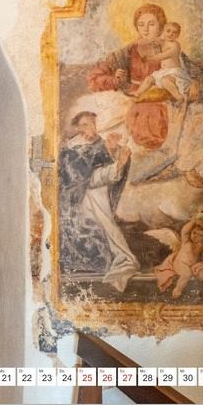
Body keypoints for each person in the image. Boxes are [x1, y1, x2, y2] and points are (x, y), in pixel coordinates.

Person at [87, 3, 203, 187]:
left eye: (151, 24)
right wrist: (115, 79)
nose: (145, 29)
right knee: (138, 148)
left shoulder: (170, 49)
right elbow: (94, 78)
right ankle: (154, 169)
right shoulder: (124, 53)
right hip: (138, 101)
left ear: (161, 26)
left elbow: (200, 74)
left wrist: (196, 82)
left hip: (170, 101)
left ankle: (187, 166)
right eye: (141, 24)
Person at [59, 111, 140, 291]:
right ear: (77, 128)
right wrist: (117, 162)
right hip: (80, 201)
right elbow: (85, 179)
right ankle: (114, 260)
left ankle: (118, 260)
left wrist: (114, 150)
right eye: (86, 124)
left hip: (97, 196)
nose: (91, 128)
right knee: (102, 227)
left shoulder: (98, 144)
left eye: (93, 124)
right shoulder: (71, 150)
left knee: (107, 226)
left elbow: (103, 170)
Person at [131, 22, 191, 104]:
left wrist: (149, 58)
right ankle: (137, 93)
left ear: (177, 35)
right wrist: (141, 42)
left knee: (165, 81)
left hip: (174, 72)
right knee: (149, 79)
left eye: (174, 32)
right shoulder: (162, 41)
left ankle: (178, 97)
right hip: (163, 71)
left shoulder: (175, 45)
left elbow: (162, 56)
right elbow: (149, 41)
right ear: (163, 31)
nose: (171, 34)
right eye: (168, 31)